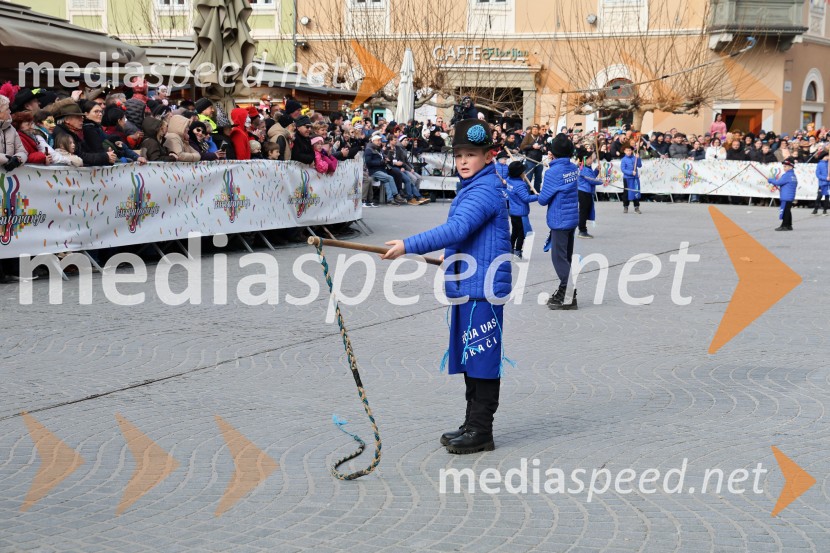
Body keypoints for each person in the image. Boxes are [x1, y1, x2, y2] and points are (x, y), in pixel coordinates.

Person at [381, 119, 511, 454]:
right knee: (472, 359)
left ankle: (482, 430)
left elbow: (457, 228)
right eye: (460, 155)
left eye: (472, 154)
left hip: (482, 290)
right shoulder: (476, 186)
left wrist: (409, 245)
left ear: (488, 156)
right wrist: (451, 258)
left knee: (482, 361)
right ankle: (471, 423)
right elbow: (467, 236)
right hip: (471, 284)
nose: (464, 161)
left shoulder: (483, 190)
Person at [539, 133, 579, 310]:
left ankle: (569, 294)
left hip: (559, 219)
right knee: (566, 256)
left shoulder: (552, 172)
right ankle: (564, 291)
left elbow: (543, 199)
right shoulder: (573, 168)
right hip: (571, 218)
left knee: (559, 258)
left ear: (552, 153)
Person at [505, 160, 537, 258]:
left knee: (515, 231)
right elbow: (526, 198)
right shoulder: (520, 185)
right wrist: (538, 196)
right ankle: (518, 250)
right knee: (522, 233)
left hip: (513, 211)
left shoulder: (509, 180)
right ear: (519, 173)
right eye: (523, 172)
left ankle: (510, 248)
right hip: (520, 213)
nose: (524, 173)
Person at [577, 149, 603, 239]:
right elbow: (592, 180)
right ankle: (582, 230)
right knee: (583, 211)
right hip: (583, 192)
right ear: (586, 159)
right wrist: (602, 181)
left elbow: (592, 177)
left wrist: (596, 170)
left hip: (587, 191)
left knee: (585, 211)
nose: (592, 160)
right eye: (591, 158)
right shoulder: (583, 169)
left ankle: (582, 229)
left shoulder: (588, 168)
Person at [768, 157, 798, 231]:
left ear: (790, 166)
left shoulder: (787, 175)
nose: (784, 168)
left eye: (785, 166)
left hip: (786, 196)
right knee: (788, 210)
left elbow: (778, 182)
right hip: (790, 196)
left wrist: (771, 180)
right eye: (783, 166)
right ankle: (789, 225)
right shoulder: (793, 175)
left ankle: (784, 225)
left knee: (785, 211)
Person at [620, 143, 642, 214]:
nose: (629, 152)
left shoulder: (635, 158)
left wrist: (638, 158)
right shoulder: (624, 159)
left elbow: (639, 165)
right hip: (627, 178)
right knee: (626, 193)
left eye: (630, 150)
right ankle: (625, 206)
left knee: (636, 192)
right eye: (627, 151)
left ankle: (636, 207)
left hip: (635, 178)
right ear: (625, 151)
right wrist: (630, 172)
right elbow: (623, 169)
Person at [813, 151, 829, 215]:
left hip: (828, 184)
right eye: (826, 156)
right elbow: (817, 174)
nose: (828, 157)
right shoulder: (820, 164)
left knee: (827, 197)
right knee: (819, 196)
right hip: (822, 183)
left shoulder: (829, 163)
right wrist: (825, 178)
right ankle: (815, 209)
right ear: (823, 157)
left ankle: (825, 210)